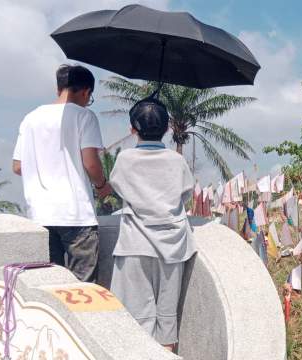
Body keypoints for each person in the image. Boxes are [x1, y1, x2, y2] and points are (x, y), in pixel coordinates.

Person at [108, 98, 195, 352]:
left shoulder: (125, 159)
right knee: (167, 320)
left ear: (132, 128)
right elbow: (186, 193)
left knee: (135, 319)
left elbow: (117, 187)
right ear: (167, 128)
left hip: (135, 244)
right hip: (173, 246)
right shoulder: (176, 161)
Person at [12, 64, 110, 282]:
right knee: (83, 288)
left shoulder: (30, 118)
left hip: (40, 215)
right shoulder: (84, 116)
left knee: (50, 285)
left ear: (59, 88)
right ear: (86, 92)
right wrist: (102, 185)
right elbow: (91, 163)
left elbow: (18, 166)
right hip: (76, 215)